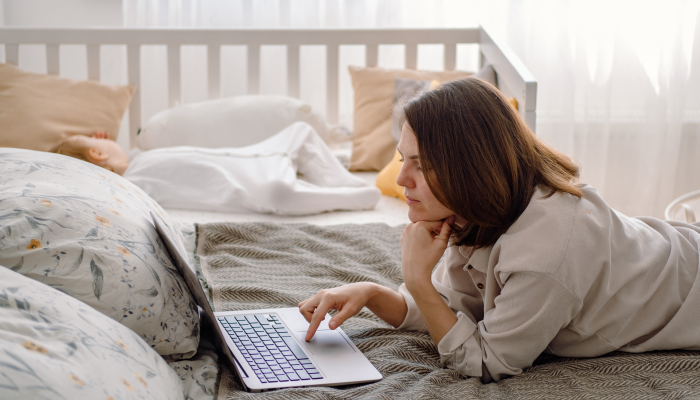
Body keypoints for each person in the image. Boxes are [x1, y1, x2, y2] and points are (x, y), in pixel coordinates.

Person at [298, 77, 700, 383]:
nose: (402, 179)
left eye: (420, 164)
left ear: (470, 169)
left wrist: (417, 281)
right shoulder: (475, 212)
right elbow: (451, 312)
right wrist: (371, 294)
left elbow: (488, 360)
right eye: (403, 159)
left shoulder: (547, 250)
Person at [51, 122, 380, 215]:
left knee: (301, 130)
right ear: (95, 152)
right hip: (256, 185)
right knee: (281, 193)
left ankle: (346, 182)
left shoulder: (139, 156)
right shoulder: (132, 184)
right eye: (98, 142)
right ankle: (353, 196)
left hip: (261, 155)